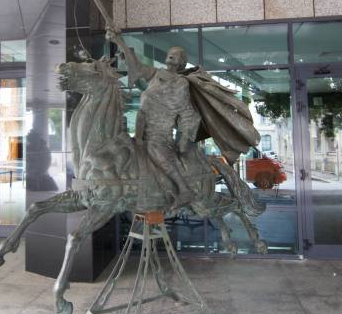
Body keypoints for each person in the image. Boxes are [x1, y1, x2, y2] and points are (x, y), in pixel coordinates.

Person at [106, 28, 261, 207]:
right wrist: (119, 42)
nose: (172, 55)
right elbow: (138, 67)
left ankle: (184, 190)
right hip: (140, 130)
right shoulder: (156, 74)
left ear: (182, 63)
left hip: (160, 134)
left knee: (156, 150)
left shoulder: (180, 84)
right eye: (171, 53)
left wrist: (185, 138)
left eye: (177, 55)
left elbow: (187, 112)